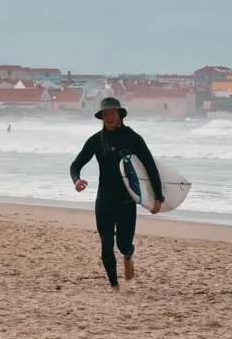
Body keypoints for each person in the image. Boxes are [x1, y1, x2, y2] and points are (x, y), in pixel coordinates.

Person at [70, 97, 164, 292]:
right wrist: (77, 180)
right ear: (102, 117)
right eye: (106, 114)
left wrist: (158, 197)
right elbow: (76, 164)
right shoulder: (96, 140)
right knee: (105, 243)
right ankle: (114, 286)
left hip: (126, 200)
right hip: (104, 198)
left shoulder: (132, 138)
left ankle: (128, 256)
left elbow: (150, 166)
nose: (109, 117)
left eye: (112, 113)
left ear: (119, 115)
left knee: (123, 244)